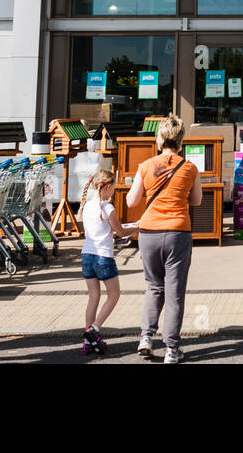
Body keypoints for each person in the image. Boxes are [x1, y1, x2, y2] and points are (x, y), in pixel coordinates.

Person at [126, 115, 200, 364]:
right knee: (175, 292)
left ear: (159, 139)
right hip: (178, 232)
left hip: (149, 233)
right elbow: (197, 200)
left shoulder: (146, 166)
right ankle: (171, 349)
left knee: (154, 287)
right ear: (181, 141)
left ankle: (146, 337)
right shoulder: (189, 168)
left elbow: (131, 201)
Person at [79, 169, 133, 354]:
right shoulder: (107, 208)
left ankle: (88, 341)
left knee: (93, 296)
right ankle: (95, 328)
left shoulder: (87, 206)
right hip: (103, 257)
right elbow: (121, 232)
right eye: (115, 188)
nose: (115, 191)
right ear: (108, 187)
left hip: (86, 255)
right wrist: (138, 227)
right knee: (114, 295)